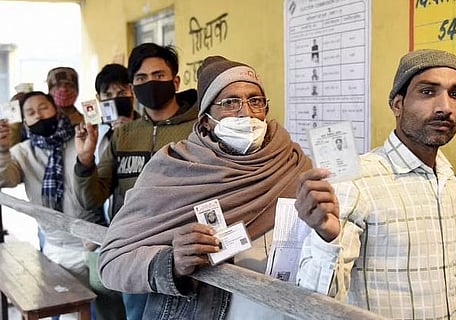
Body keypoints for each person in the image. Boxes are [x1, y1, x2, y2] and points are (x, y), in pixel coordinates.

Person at [97, 55, 312, 319]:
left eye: (255, 100)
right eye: (230, 102)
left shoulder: (294, 164)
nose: (245, 112)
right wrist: (173, 262)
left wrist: (328, 233)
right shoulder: (172, 168)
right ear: (206, 119)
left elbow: (319, 255)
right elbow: (111, 263)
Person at [295, 49, 456, 319]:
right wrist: (327, 237)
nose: (445, 107)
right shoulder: (356, 182)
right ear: (397, 104)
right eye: (428, 92)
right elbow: (317, 300)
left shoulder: (448, 181)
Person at [74, 43, 198, 320]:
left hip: (186, 253)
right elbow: (94, 196)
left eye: (159, 75)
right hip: (136, 256)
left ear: (175, 81)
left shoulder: (198, 130)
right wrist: (84, 160)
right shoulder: (124, 135)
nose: (150, 83)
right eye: (141, 78)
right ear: (133, 85)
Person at [0, 91, 104, 299]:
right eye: (30, 112)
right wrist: (2, 150)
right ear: (25, 121)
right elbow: (6, 179)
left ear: (55, 109)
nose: (38, 115)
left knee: (106, 310)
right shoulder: (22, 152)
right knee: (65, 308)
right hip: (58, 247)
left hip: (96, 243)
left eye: (43, 108)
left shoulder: (82, 138)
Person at [86, 63, 140, 320]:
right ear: (99, 100)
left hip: (136, 240)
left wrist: (129, 135)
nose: (115, 99)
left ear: (132, 93)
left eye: (121, 92)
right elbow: (89, 189)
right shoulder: (95, 135)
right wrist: (91, 229)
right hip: (103, 235)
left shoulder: (146, 130)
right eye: (108, 95)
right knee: (107, 308)